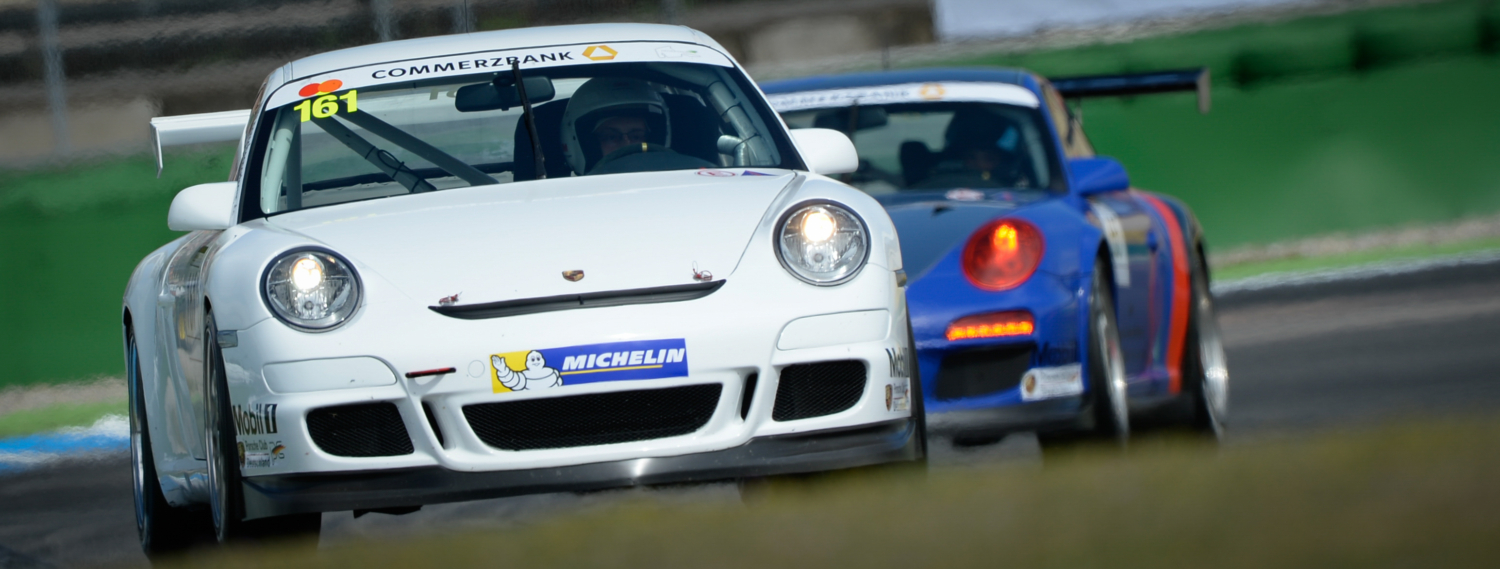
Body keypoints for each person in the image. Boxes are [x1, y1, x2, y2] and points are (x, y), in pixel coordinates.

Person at [560, 77, 713, 175]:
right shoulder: (568, 199)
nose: (626, 144)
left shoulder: (689, 181)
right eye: (611, 137)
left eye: (636, 136)